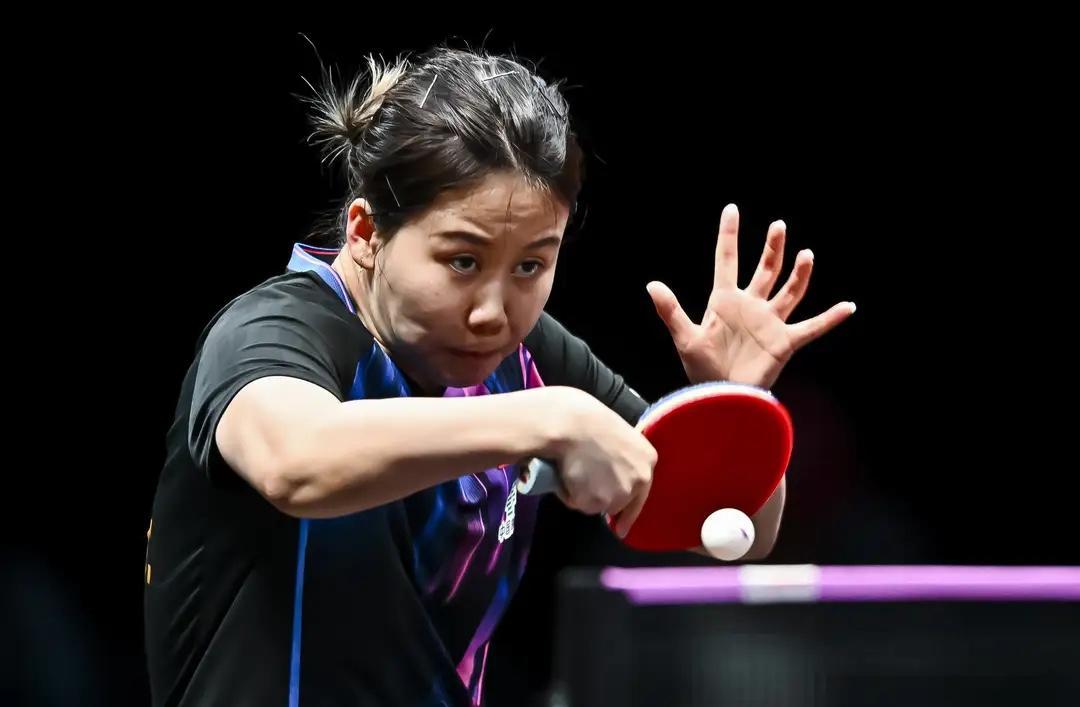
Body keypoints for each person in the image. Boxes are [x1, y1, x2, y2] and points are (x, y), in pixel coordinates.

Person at [143, 44, 854, 707]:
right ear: (365, 232)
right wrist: (548, 420)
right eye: (462, 261)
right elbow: (297, 463)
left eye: (530, 266)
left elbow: (725, 525)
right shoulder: (275, 330)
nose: (493, 311)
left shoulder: (528, 359)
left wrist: (733, 407)